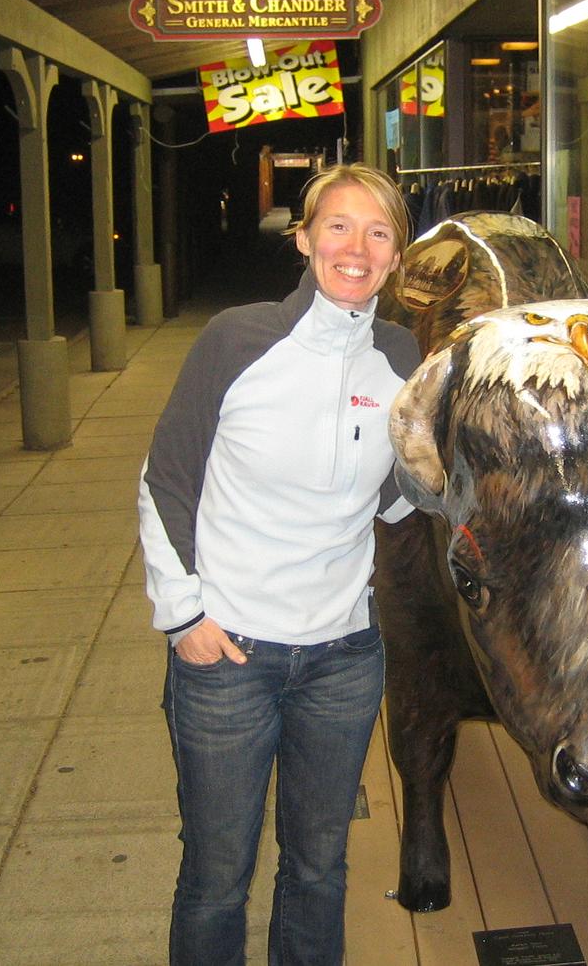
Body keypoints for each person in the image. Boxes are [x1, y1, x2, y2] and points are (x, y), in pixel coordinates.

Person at [138, 163, 421, 966]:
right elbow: (166, 479)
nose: (356, 248)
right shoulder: (238, 339)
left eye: (378, 232)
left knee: (319, 868)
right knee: (217, 875)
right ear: (303, 239)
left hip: (342, 658)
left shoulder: (401, 355)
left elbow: (396, 498)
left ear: (396, 256)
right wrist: (186, 617)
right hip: (229, 654)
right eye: (338, 226)